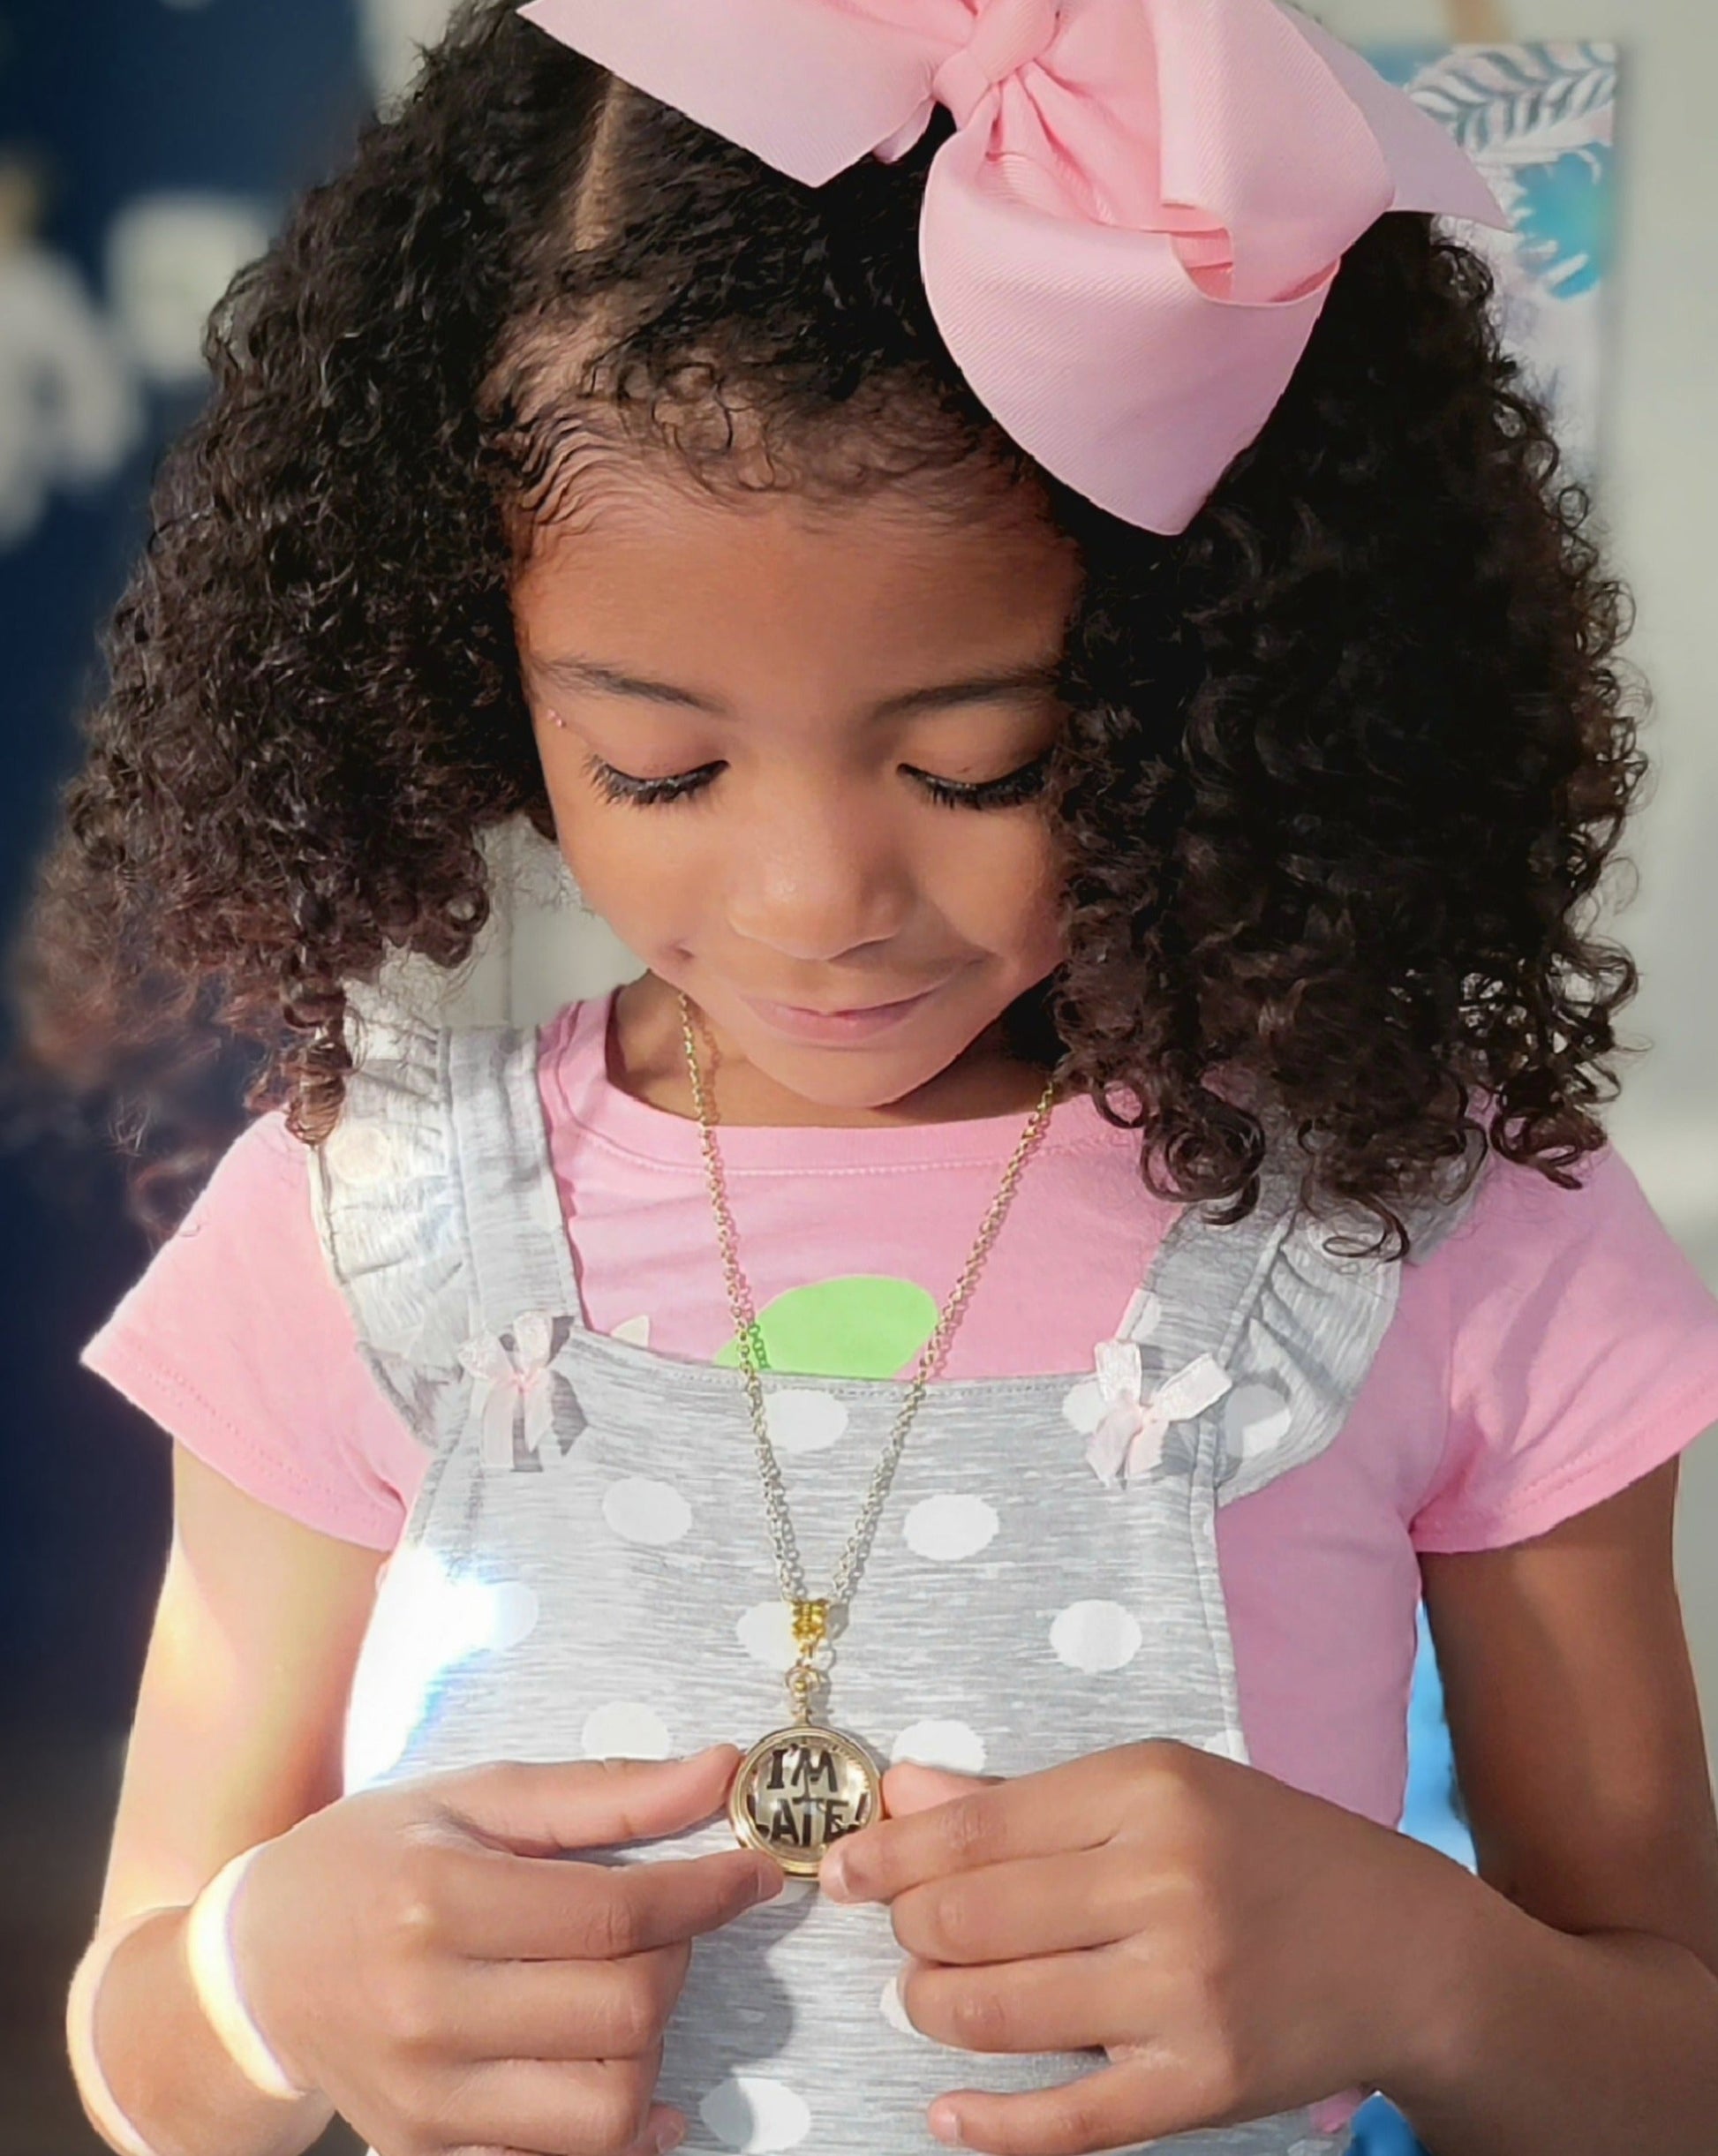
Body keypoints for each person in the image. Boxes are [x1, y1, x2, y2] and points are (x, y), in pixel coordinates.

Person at [15, 3, 1718, 2153]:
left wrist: (1422, 1970)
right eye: (660, 763)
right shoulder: (372, 1219)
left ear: (1225, 681)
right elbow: (141, 2041)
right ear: (464, 654)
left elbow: (1669, 2069)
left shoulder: (1441, 1228)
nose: (820, 896)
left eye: (976, 764)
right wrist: (260, 1991)